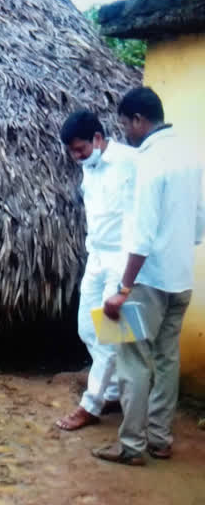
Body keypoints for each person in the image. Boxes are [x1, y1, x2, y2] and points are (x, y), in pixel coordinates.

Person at [94, 87, 205, 465]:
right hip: (181, 280)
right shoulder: (190, 154)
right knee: (166, 360)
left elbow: (141, 235)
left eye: (126, 124)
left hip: (146, 281)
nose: (125, 131)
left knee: (133, 362)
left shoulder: (148, 161)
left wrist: (123, 288)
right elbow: (200, 221)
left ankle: (131, 446)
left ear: (139, 120)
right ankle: (159, 438)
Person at [55, 110, 137, 431]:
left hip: (123, 259)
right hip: (97, 257)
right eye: (72, 152)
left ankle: (91, 405)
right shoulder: (89, 168)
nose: (76, 157)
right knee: (86, 329)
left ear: (99, 139)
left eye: (81, 149)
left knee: (111, 335)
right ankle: (113, 391)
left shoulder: (132, 162)